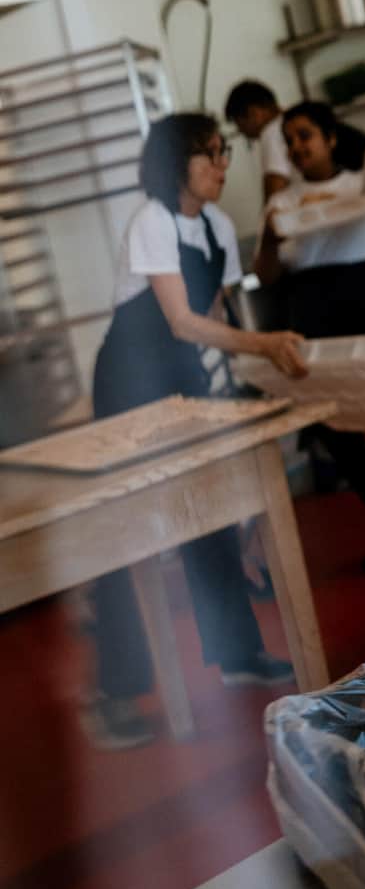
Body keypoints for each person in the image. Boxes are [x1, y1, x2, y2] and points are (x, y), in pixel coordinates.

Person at [85, 113, 308, 750]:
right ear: (174, 164)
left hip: (182, 376)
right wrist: (261, 345)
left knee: (210, 512)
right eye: (209, 156)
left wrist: (235, 378)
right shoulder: (150, 223)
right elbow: (182, 320)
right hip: (129, 383)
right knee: (125, 537)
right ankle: (117, 691)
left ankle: (237, 652)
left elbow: (214, 317)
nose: (221, 166)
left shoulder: (212, 227)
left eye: (222, 152)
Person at [255, 101, 365, 571]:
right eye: (289, 141)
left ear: (330, 137)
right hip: (312, 306)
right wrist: (268, 234)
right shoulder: (281, 204)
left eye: (304, 135)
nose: (295, 147)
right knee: (331, 419)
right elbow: (266, 275)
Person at [224, 79, 365, 204]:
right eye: (289, 142)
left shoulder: (272, 131)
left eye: (239, 123)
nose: (241, 131)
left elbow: (275, 186)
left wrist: (270, 215)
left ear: (254, 113)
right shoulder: (293, 122)